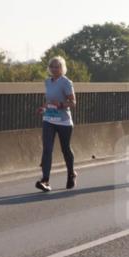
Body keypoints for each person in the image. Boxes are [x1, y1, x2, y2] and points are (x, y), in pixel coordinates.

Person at [35, 56, 76, 192]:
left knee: (66, 149)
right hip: (49, 120)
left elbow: (73, 103)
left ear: (62, 68)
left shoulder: (66, 82)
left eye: (57, 67)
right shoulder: (47, 82)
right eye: (52, 67)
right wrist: (44, 108)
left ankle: (71, 173)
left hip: (63, 121)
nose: (54, 69)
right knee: (47, 149)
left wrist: (62, 104)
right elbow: (49, 101)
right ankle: (45, 180)